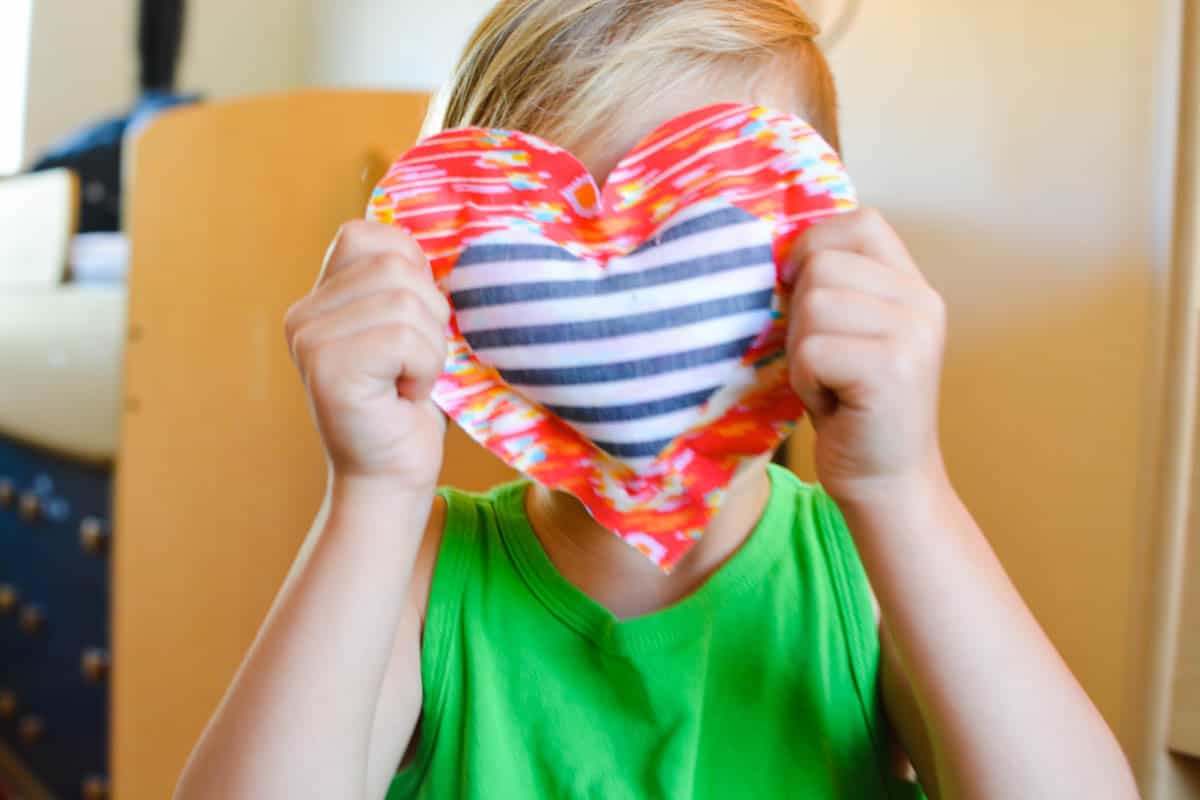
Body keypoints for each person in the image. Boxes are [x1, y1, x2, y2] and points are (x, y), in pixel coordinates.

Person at [174, 2, 1141, 798]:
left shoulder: (872, 568)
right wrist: (371, 491)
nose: (623, 317)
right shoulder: (418, 569)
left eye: (701, 233)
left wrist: (904, 487)